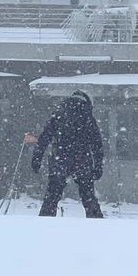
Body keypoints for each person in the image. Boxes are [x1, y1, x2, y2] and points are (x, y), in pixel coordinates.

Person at [32, 90, 105, 218]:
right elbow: (96, 143)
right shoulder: (87, 116)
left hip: (60, 157)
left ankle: (45, 221)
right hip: (82, 159)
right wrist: (98, 165)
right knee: (88, 195)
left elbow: (45, 137)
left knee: (52, 194)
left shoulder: (59, 114)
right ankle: (96, 222)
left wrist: (37, 158)